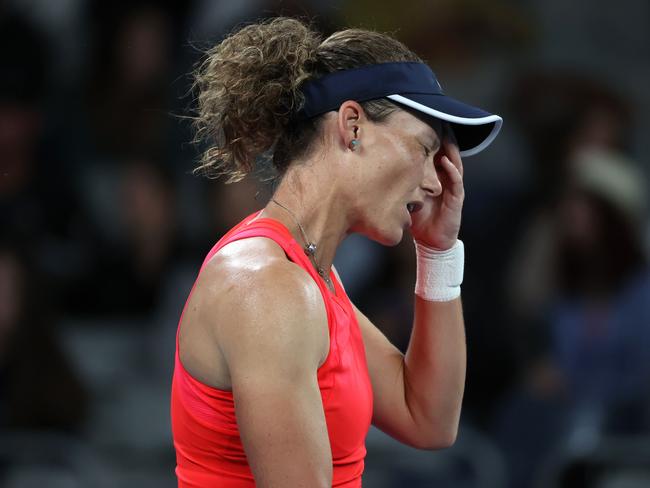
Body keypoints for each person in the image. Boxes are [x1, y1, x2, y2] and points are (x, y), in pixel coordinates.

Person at [170, 17, 502, 487]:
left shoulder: (308, 277)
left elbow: (428, 420)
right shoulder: (269, 288)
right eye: (424, 148)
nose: (435, 182)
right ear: (352, 126)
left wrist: (438, 252)